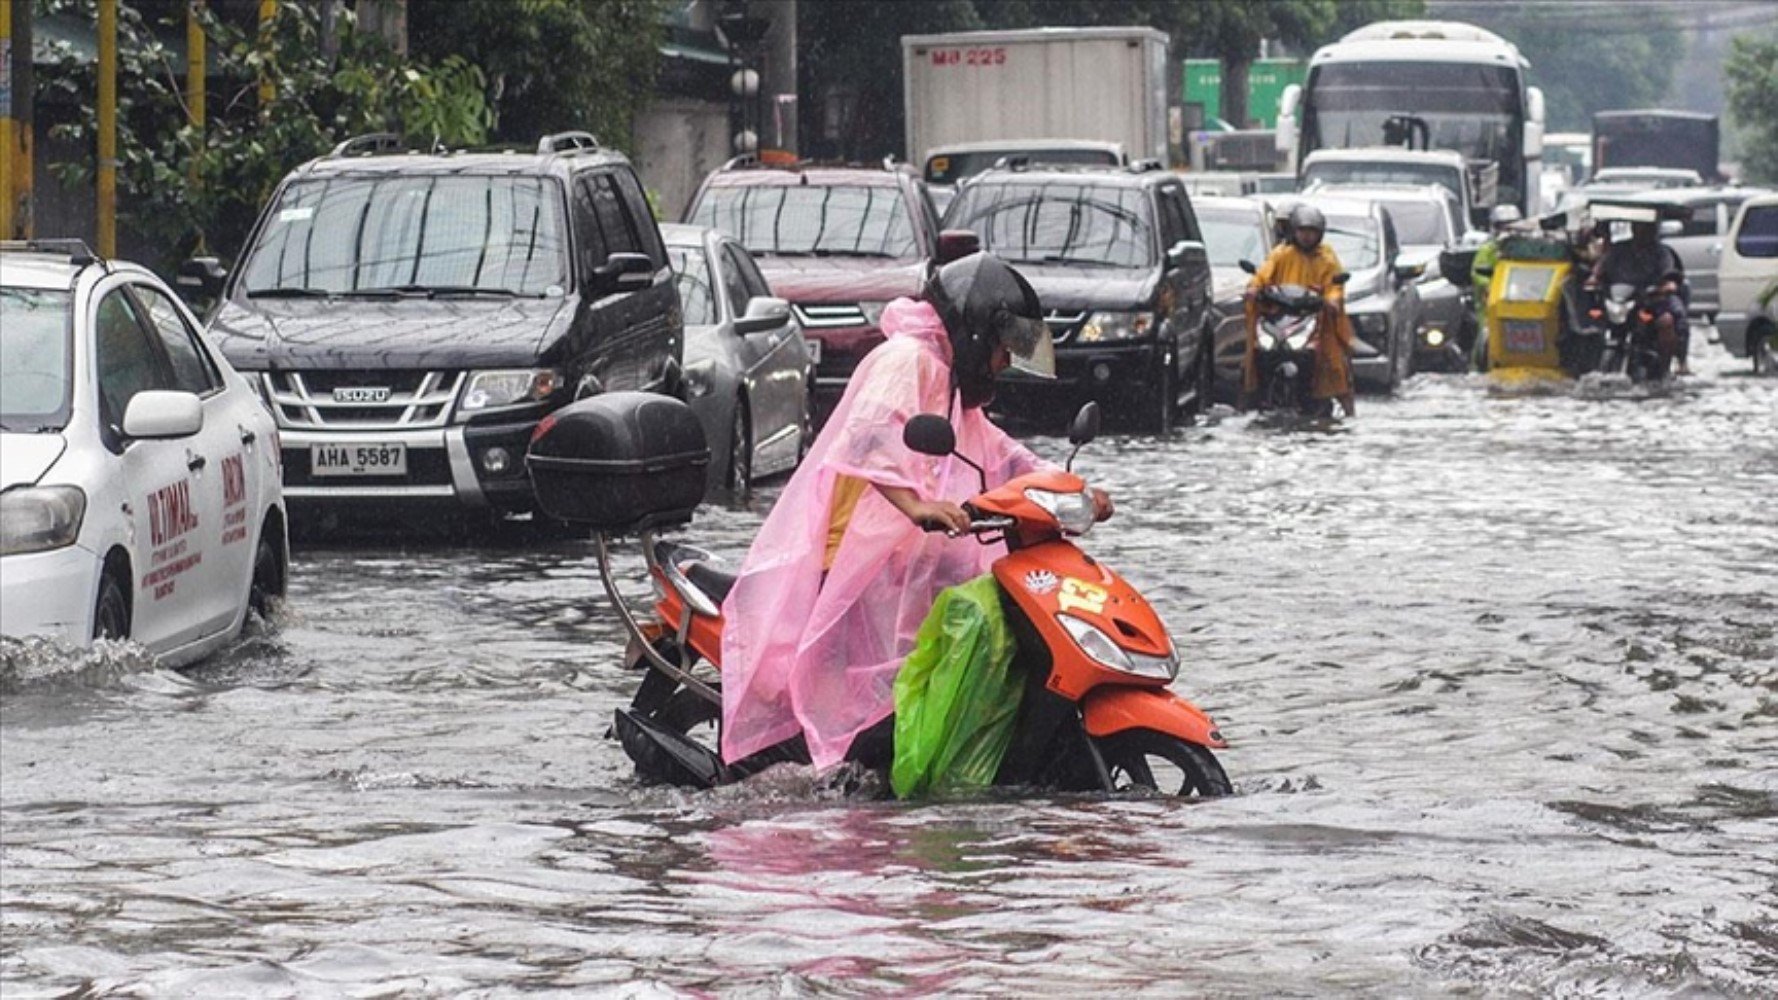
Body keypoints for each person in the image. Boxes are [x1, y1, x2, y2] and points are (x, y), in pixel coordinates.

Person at [717, 252, 1113, 770]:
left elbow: (996, 452)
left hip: (896, 565)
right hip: (847, 564)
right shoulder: (906, 360)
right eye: (1000, 352)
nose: (1001, 365)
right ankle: (835, 782)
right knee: (869, 713)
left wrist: (1071, 491)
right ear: (976, 332)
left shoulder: (946, 382)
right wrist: (915, 505)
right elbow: (870, 436)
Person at [1243, 204, 1356, 417]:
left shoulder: (1327, 258)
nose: (1306, 237)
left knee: (1334, 362)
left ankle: (1345, 403)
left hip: (1314, 319)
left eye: (1311, 232)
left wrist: (1331, 300)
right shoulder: (1281, 254)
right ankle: (1253, 395)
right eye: (1303, 231)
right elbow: (1262, 275)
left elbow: (1335, 286)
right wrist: (1254, 288)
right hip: (1280, 318)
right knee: (1257, 352)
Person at [1585, 217, 1688, 376]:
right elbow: (1601, 266)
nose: (1643, 231)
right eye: (1639, 226)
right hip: (1621, 302)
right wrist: (1594, 278)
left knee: (1668, 321)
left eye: (1647, 227)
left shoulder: (1662, 253)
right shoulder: (1619, 250)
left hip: (1651, 301)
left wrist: (1667, 285)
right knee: (1592, 317)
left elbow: (1670, 274)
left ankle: (1669, 364)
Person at [1469, 204, 1525, 369]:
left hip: (1520, 299)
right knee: (1486, 339)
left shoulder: (1526, 248)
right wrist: (1491, 285)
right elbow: (1478, 273)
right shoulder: (1488, 249)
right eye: (1502, 226)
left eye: (1512, 226)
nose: (1507, 231)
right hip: (1491, 305)